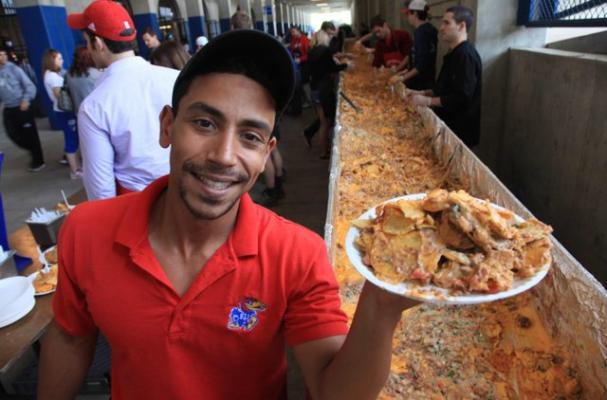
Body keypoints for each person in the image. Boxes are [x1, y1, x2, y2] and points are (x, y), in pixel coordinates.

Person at [37, 29, 418, 400]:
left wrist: (381, 308)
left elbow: (333, 391)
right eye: (205, 123)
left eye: (250, 137)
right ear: (168, 126)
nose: (223, 155)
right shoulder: (87, 231)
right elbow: (71, 337)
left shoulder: (297, 254)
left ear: (266, 153)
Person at [66, 0, 179, 200]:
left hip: (136, 206)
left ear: (98, 44)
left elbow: (101, 191)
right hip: (186, 196)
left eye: (87, 41)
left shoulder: (94, 106)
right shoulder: (175, 79)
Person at [407, 6, 482, 147]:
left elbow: (462, 97)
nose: (441, 28)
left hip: (459, 130)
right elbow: (444, 88)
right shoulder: (454, 52)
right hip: (448, 124)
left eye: (447, 23)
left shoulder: (465, 55)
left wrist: (428, 101)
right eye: (442, 23)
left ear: (462, 26)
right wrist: (422, 92)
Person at [0, 47, 45, 171]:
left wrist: (26, 99)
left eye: (3, 54)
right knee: (12, 133)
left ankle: (38, 161)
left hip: (22, 106)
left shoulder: (15, 69)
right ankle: (31, 148)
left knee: (31, 135)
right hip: (9, 108)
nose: (2, 57)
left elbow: (30, 86)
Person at [307, 29, 350, 159]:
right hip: (323, 89)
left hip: (314, 89)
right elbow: (332, 68)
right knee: (325, 123)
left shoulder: (312, 51)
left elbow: (322, 67)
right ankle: (324, 152)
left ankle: (322, 148)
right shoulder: (324, 51)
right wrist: (346, 65)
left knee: (322, 121)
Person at [42, 49, 82, 179]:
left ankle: (77, 167)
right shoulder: (52, 77)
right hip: (64, 112)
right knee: (71, 140)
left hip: (63, 112)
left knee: (72, 139)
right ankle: (75, 171)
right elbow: (60, 95)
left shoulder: (52, 74)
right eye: (59, 58)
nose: (62, 60)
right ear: (51, 60)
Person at [396, 0, 437, 90]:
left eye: (408, 14)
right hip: (426, 78)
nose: (408, 18)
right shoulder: (429, 29)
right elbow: (415, 55)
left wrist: (403, 78)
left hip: (421, 82)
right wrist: (404, 71)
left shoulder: (421, 33)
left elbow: (421, 65)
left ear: (415, 14)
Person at [66, 46, 102, 113]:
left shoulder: (69, 74)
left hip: (79, 112)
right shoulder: (95, 74)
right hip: (94, 112)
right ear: (90, 58)